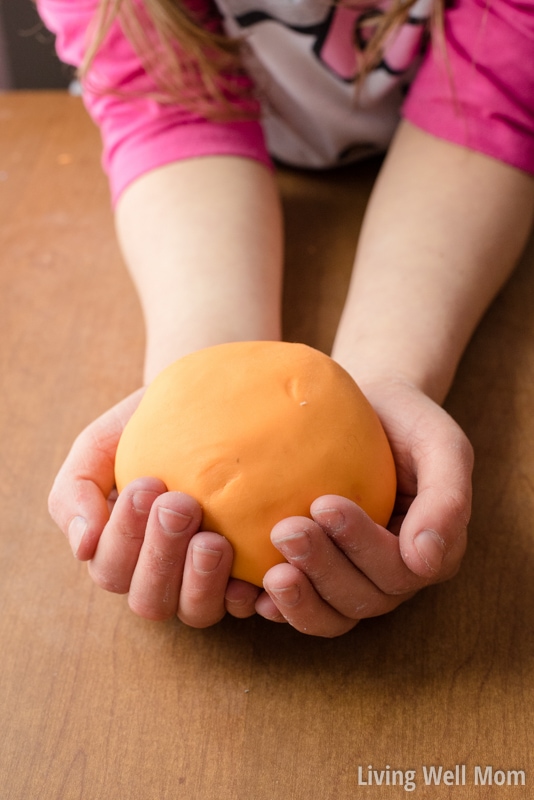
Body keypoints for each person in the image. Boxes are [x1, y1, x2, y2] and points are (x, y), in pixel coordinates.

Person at [40, 0, 534, 637]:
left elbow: (493, 88)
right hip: (210, 173)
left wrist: (388, 374)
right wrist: (200, 376)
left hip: (459, 165)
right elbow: (170, 106)